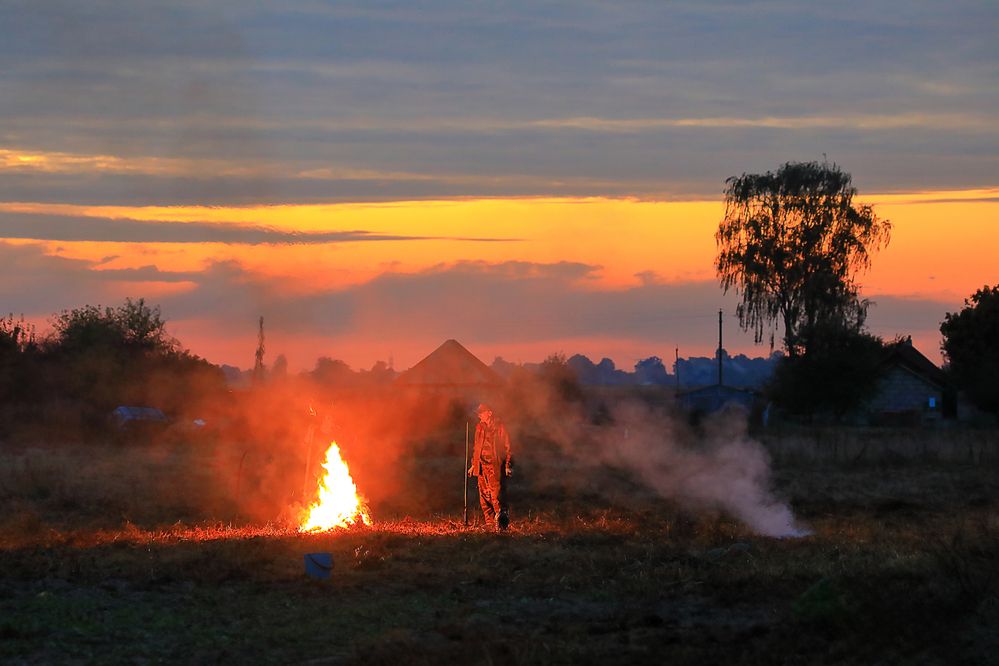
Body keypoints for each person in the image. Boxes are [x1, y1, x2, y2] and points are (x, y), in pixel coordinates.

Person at [467, 403, 513, 531]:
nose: (479, 415)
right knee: (484, 498)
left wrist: (508, 465)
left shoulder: (500, 427)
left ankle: (501, 527)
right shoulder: (479, 427)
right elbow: (476, 447)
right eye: (478, 413)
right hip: (481, 467)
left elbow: (508, 447)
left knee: (496, 496)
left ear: (489, 413)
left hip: (495, 466)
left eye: (481, 413)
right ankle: (490, 526)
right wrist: (473, 464)